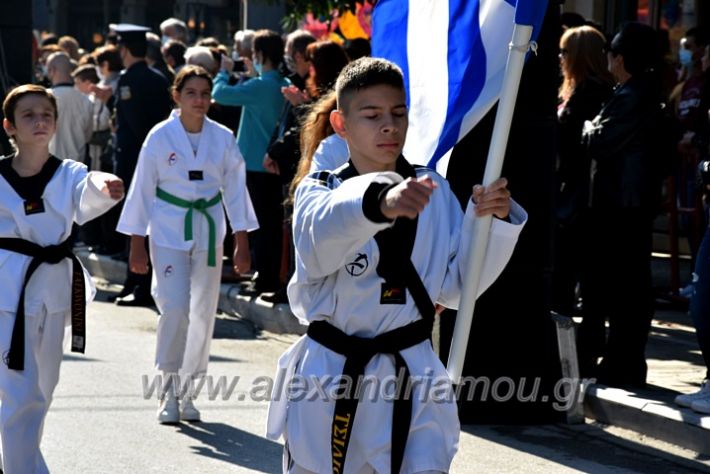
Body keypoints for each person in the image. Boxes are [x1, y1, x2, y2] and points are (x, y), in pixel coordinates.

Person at [266, 57, 526, 474]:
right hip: (331, 377)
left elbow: (456, 290)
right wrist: (380, 202)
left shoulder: (434, 190)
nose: (389, 125)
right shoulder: (320, 191)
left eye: (398, 114)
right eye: (371, 116)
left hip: (414, 374)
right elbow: (321, 241)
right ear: (341, 124)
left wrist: (487, 224)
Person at [117, 66, 257, 423]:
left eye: (205, 93)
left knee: (203, 310)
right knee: (175, 306)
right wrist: (137, 243)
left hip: (209, 228)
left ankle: (189, 392)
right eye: (191, 93)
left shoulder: (222, 137)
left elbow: (236, 190)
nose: (200, 100)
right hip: (166, 228)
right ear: (176, 96)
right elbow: (142, 189)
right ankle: (167, 388)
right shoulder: (160, 136)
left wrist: (242, 242)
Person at [0, 84, 124, 473]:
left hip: (53, 289)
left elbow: (89, 187)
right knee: (22, 392)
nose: (39, 121)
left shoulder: (69, 172)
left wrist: (106, 187)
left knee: (43, 389)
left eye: (46, 115)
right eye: (28, 115)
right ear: (10, 127)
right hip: (8, 292)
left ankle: (18, 459)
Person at [580, 22, 666, 388]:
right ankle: (621, 361)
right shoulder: (641, 91)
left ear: (621, 59)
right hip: (630, 203)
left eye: (612, 56)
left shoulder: (633, 95)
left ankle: (622, 363)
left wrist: (586, 125)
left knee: (622, 288)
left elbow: (596, 139)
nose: (609, 62)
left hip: (622, 205)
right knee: (625, 288)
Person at [99, 24, 172, 307]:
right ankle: (134, 281)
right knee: (141, 224)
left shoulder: (130, 80)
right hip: (155, 161)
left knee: (136, 224)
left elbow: (134, 125)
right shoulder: (159, 77)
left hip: (134, 161)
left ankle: (139, 285)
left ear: (125, 50)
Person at [213, 29, 290, 296]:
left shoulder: (260, 86)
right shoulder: (282, 82)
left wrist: (223, 71)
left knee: (260, 225)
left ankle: (264, 276)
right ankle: (266, 274)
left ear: (259, 55)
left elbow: (220, 94)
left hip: (256, 166)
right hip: (274, 164)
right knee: (270, 223)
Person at [551, 25, 614, 317]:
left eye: (565, 51)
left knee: (572, 278)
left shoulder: (591, 93)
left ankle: (576, 353)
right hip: (577, 195)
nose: (560, 57)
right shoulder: (579, 90)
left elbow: (573, 146)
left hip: (581, 199)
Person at [46, 52, 93, 162]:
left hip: (49, 165)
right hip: (77, 166)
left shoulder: (43, 98)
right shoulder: (86, 100)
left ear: (52, 70)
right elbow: (88, 136)